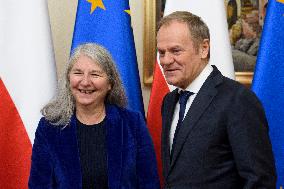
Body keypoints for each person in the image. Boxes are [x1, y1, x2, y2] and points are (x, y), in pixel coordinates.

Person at [157, 11, 276, 188]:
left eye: (176, 51)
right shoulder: (169, 101)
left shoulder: (238, 100)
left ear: (204, 48)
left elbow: (259, 180)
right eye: (161, 52)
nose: (166, 61)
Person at [28, 43, 160, 189]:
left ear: (110, 83)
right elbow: (38, 185)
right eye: (78, 73)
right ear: (68, 79)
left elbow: (149, 183)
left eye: (95, 74)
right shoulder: (49, 128)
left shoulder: (132, 124)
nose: (85, 82)